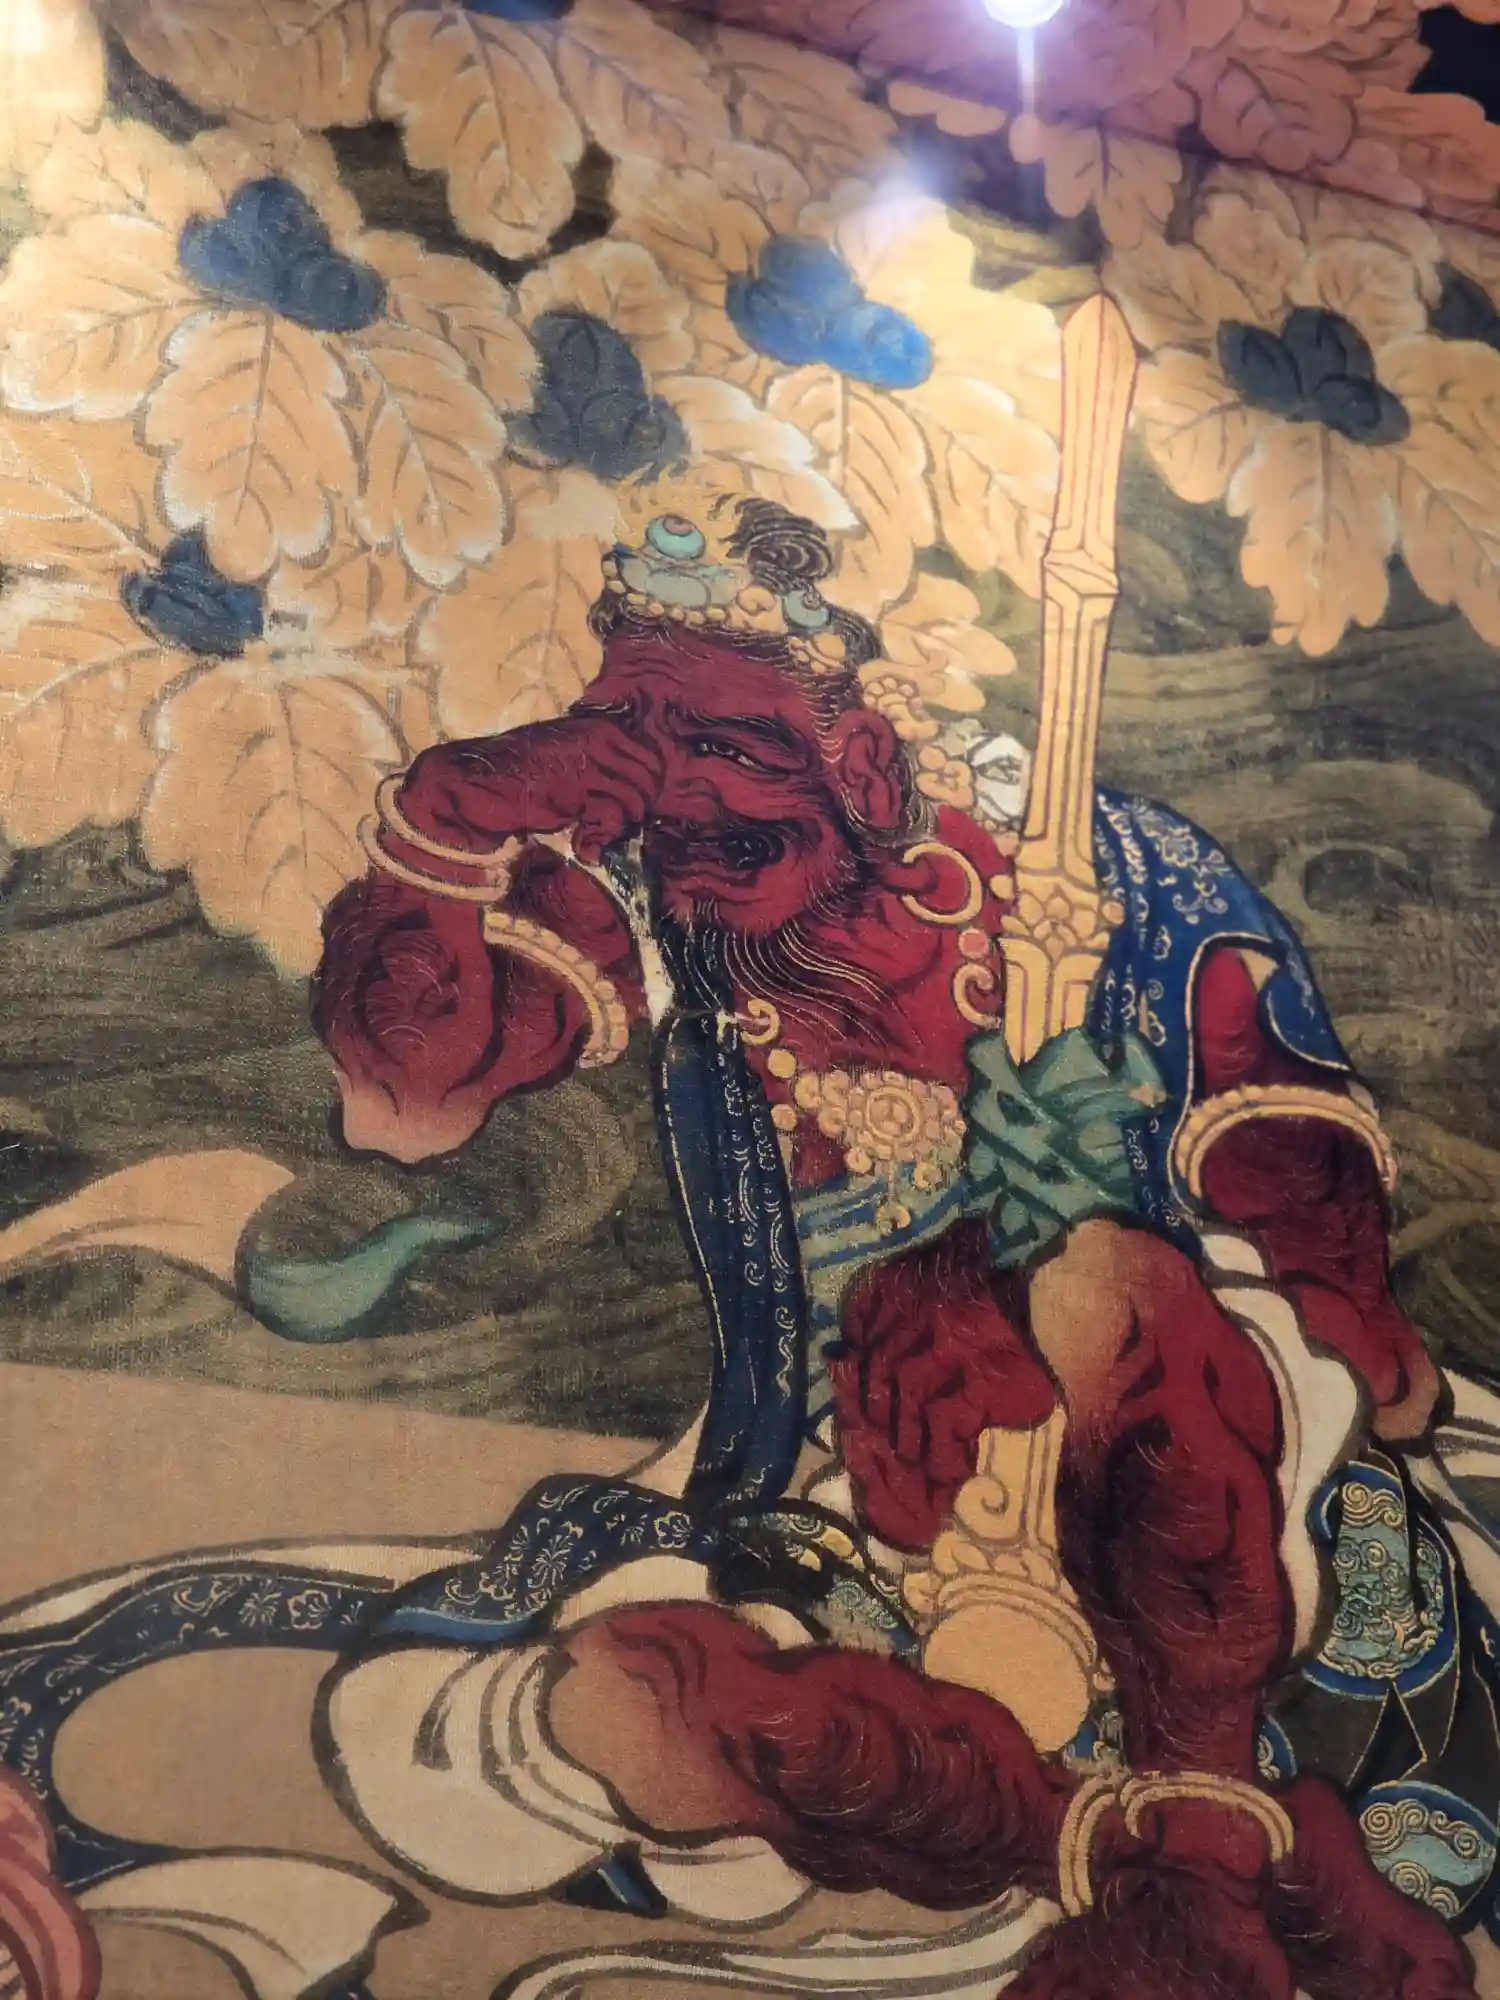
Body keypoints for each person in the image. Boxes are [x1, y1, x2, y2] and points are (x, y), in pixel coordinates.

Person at [303, 500, 1479, 2000]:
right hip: (853, 1473)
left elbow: (1289, 1150)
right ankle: (1146, 1852)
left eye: (719, 746)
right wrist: (452, 825)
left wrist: (1097, 1225)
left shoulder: (1099, 870)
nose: (670, 795)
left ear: (859, 761)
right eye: (633, 739)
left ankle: (1187, 1817)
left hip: (1175, 1439)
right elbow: (407, 1099)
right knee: (602, 1702)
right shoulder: (660, 905)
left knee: (1112, 1302)